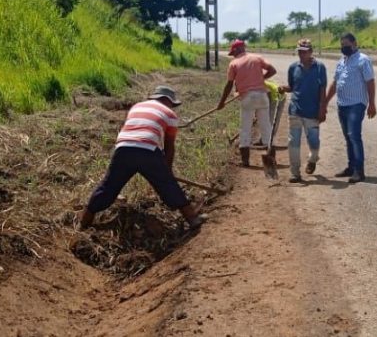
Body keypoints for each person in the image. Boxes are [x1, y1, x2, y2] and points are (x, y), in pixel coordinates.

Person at [77, 85, 205, 229]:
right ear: (169, 101)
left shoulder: (137, 106)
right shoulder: (170, 114)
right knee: (168, 185)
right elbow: (169, 147)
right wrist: (167, 172)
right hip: (147, 149)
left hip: (123, 148)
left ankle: (84, 222)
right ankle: (192, 218)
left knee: (108, 186)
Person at [323, 33, 376, 184]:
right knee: (348, 137)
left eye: (346, 44)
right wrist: (325, 102)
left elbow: (370, 82)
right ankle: (351, 167)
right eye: (342, 45)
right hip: (342, 105)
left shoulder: (363, 60)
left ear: (354, 43)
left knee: (354, 135)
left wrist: (372, 103)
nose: (343, 48)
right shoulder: (342, 61)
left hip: (356, 104)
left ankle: (359, 171)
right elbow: (335, 83)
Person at [216, 39, 277, 166]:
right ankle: (270, 159)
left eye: (233, 53)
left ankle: (245, 161)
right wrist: (260, 79)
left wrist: (221, 102)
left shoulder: (234, 63)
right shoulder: (257, 58)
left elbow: (229, 85)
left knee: (245, 128)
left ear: (237, 50)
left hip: (247, 98)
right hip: (262, 95)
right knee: (266, 126)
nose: (233, 55)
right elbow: (272, 70)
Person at [278, 39, 327, 183]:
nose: (301, 54)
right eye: (299, 51)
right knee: (293, 142)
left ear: (311, 52)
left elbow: (322, 90)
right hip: (295, 110)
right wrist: (283, 88)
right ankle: (295, 173)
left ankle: (313, 159)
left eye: (304, 51)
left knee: (314, 142)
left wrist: (322, 109)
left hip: (312, 112)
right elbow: (292, 87)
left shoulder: (319, 68)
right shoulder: (293, 67)